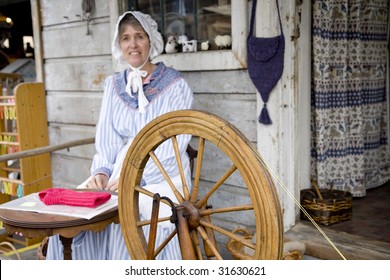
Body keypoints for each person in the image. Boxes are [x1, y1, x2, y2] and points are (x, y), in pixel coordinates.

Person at [46, 11, 193, 260]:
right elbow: (108, 139)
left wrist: (134, 180)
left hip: (162, 174)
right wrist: (102, 172)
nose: (132, 44)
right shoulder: (113, 86)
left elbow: (173, 146)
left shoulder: (176, 86)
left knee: (123, 208)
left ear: (151, 40)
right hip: (120, 171)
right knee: (75, 208)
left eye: (139, 36)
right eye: (125, 38)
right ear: (119, 44)